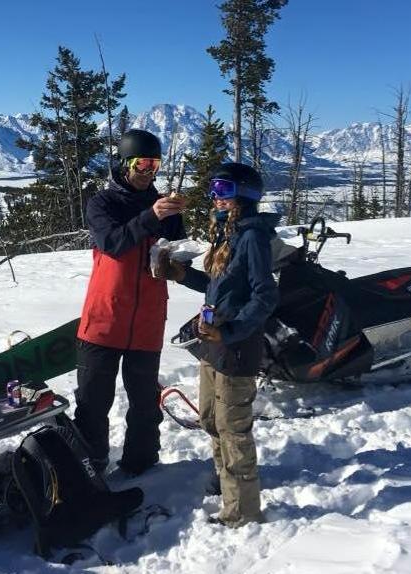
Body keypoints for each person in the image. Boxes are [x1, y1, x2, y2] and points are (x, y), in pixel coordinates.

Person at [156, 162, 279, 527]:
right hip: (214, 343)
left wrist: (231, 331)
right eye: (214, 190)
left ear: (245, 195)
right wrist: (181, 274)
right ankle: (224, 485)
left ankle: (243, 511)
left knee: (233, 427)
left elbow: (265, 295)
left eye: (224, 190)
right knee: (211, 419)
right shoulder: (228, 233)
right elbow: (218, 287)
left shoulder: (252, 237)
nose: (216, 197)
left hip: (235, 346)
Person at [74, 129, 186, 476]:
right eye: (142, 164)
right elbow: (112, 243)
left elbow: (178, 254)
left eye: (154, 165)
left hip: (148, 318)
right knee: (93, 403)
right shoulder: (103, 204)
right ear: (124, 164)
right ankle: (90, 465)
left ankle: (142, 463)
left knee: (144, 403)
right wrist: (151, 216)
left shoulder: (164, 206)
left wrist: (180, 258)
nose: (148, 172)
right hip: (105, 318)